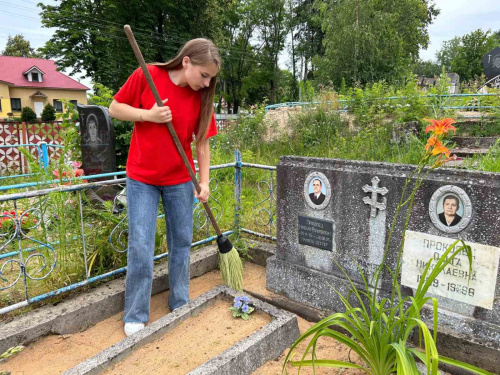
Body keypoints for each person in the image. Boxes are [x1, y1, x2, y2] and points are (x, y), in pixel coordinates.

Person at [108, 38, 220, 336]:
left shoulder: (200, 97)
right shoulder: (148, 75)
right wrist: (149, 115)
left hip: (181, 180)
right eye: (204, 75)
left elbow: (203, 144)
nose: (207, 84)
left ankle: (179, 301)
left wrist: (204, 181)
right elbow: (115, 108)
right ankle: (135, 313)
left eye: (211, 78)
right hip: (142, 177)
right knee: (141, 245)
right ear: (187, 62)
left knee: (182, 243)